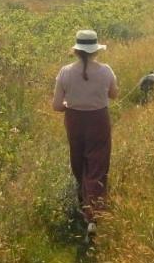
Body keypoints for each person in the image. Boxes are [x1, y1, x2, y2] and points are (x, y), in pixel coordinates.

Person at [51, 29, 119, 239]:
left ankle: (84, 205)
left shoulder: (64, 72)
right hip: (99, 119)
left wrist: (68, 103)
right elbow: (114, 95)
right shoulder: (106, 71)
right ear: (95, 50)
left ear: (77, 50)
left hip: (74, 120)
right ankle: (94, 214)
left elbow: (56, 106)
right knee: (97, 164)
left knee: (79, 162)